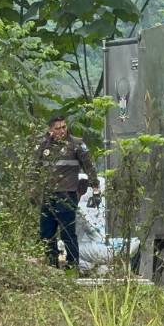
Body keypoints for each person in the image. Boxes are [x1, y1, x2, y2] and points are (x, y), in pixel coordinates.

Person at [36, 115, 101, 271]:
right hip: (48, 196)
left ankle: (72, 267)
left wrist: (95, 187)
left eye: (64, 127)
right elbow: (34, 168)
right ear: (50, 130)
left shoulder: (76, 144)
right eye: (57, 128)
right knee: (46, 234)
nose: (62, 131)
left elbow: (89, 166)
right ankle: (51, 267)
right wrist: (33, 192)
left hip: (67, 195)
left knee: (68, 234)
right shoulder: (44, 146)